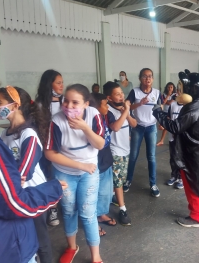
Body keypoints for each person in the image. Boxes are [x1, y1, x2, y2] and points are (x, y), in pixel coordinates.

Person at [0, 72, 65, 263]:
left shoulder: (25, 134)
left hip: (23, 196)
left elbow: (23, 169)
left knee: (42, 240)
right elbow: (13, 201)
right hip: (9, 236)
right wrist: (53, 188)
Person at [45, 84, 105, 263]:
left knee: (88, 213)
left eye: (75, 102)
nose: (69, 106)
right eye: (66, 101)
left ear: (86, 104)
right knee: (69, 210)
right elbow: (50, 153)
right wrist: (80, 165)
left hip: (90, 172)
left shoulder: (94, 115)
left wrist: (85, 128)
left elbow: (100, 144)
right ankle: (72, 247)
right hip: (65, 173)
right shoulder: (56, 121)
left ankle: (96, 257)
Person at [153, 70, 199, 228]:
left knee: (192, 183)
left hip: (193, 154)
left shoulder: (193, 108)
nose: (178, 93)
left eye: (181, 89)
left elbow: (175, 126)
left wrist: (158, 113)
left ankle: (196, 216)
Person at [0, 86, 54, 263]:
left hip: (32, 194)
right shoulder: (3, 134)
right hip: (15, 194)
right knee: (24, 238)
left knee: (40, 240)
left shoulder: (28, 134)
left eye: (0, 103)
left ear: (14, 106)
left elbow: (25, 172)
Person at [103, 81, 137, 225]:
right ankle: (122, 209)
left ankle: (111, 196)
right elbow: (115, 127)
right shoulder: (108, 111)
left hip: (125, 149)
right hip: (115, 150)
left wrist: (127, 112)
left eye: (122, 93)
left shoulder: (124, 108)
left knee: (120, 178)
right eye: (117, 94)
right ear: (109, 98)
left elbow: (134, 124)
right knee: (118, 181)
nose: (122, 96)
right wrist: (124, 112)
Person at [124, 68, 161, 197]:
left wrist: (161, 122)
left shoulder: (156, 93)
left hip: (151, 127)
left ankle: (153, 184)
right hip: (137, 127)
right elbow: (126, 106)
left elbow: (159, 108)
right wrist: (139, 103)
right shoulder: (135, 92)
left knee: (151, 157)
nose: (148, 78)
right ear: (140, 78)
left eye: (150, 76)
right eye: (145, 76)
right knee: (133, 156)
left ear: (153, 79)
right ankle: (128, 180)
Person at [35, 69, 64, 226]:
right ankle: (52, 209)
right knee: (50, 177)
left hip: (65, 147)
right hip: (49, 147)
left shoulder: (64, 101)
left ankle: (66, 206)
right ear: (49, 84)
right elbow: (41, 128)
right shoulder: (40, 104)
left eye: (62, 82)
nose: (62, 86)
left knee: (64, 177)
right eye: (58, 83)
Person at [91, 93, 117, 232]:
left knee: (105, 192)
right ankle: (92, 221)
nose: (107, 107)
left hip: (106, 160)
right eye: (104, 104)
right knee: (93, 193)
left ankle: (101, 214)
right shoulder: (90, 122)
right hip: (96, 164)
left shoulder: (102, 118)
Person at [165, 87, 185, 189]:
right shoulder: (172, 105)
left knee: (180, 157)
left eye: (182, 92)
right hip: (172, 136)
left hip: (181, 138)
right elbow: (168, 118)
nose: (179, 93)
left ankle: (181, 178)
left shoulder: (187, 107)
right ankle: (174, 176)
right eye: (178, 91)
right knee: (173, 157)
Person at [157, 82, 176, 146]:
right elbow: (164, 103)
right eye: (168, 87)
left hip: (172, 112)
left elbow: (170, 102)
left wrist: (169, 100)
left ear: (173, 88)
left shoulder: (175, 95)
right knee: (165, 126)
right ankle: (162, 140)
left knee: (172, 126)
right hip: (166, 111)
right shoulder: (164, 95)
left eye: (171, 87)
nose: (170, 88)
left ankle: (173, 139)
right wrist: (168, 95)